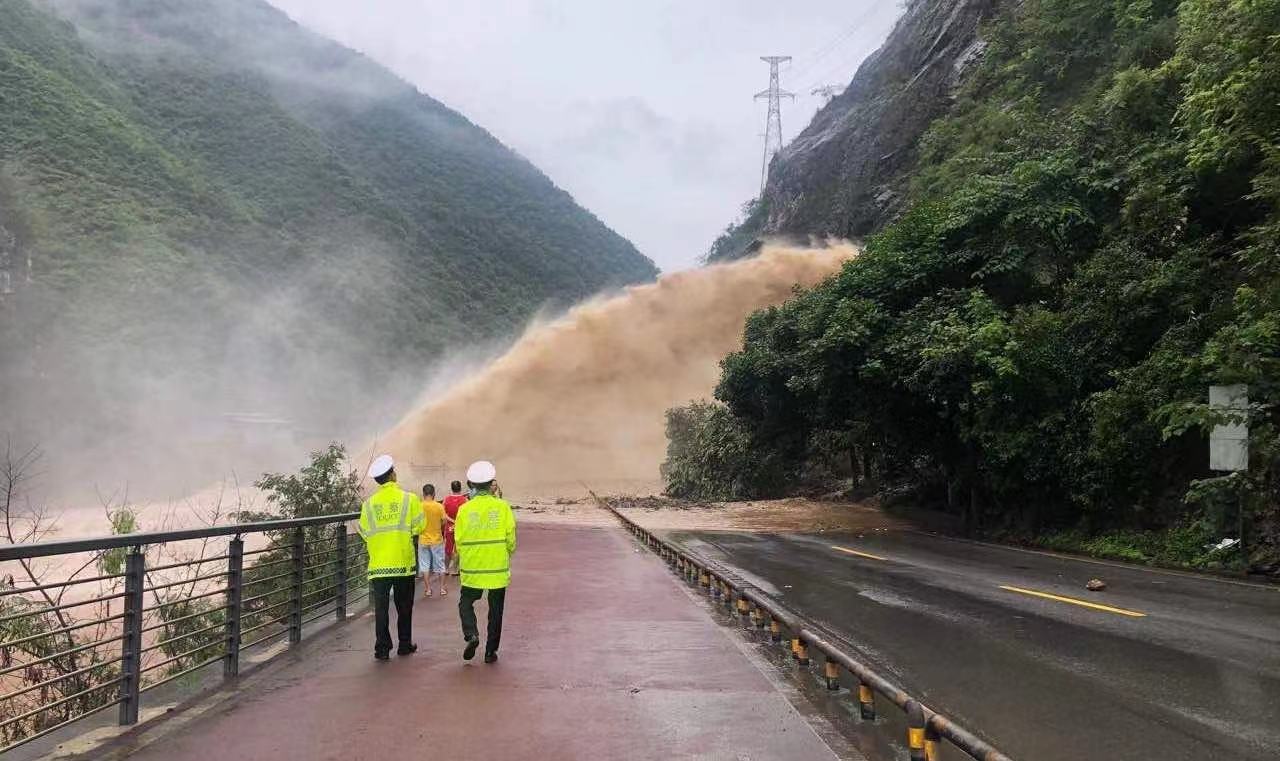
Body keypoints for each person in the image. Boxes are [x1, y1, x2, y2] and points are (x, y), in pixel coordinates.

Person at [357, 454, 425, 661]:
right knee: (404, 606)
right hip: (403, 563)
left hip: (378, 565)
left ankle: (382, 648)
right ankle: (404, 644)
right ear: (393, 475)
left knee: (381, 608)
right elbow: (420, 526)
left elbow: (364, 531)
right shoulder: (409, 499)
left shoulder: (368, 504)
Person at [455, 460, 516, 664]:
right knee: (496, 611)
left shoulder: (464, 510)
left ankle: (472, 635)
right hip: (497, 569)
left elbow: (459, 540)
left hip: (472, 568)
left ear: (471, 485)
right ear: (492, 484)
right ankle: (490, 652)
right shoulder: (502, 507)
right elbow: (510, 539)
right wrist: (506, 553)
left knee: (465, 603)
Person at [419, 484, 448, 598]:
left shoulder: (419, 506)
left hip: (423, 539)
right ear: (434, 493)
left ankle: (428, 589)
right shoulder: (439, 506)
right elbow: (444, 520)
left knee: (424, 565)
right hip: (436, 539)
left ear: (423, 493)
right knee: (440, 564)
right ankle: (442, 588)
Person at [441, 480, 467, 577]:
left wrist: (452, 520)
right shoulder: (465, 500)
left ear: (451, 488)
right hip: (461, 527)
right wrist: (458, 521)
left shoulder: (446, 499)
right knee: (458, 548)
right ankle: (455, 569)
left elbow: (443, 514)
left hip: (449, 527)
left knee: (448, 548)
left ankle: (446, 568)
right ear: (460, 488)